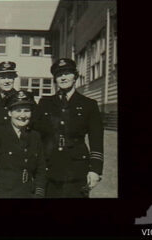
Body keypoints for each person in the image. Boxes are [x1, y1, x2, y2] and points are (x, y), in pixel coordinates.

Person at [33, 58, 104, 198]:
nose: (63, 77)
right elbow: (36, 134)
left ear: (75, 76)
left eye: (67, 73)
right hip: (49, 167)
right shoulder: (45, 103)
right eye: (59, 75)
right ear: (55, 79)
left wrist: (95, 170)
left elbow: (96, 139)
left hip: (77, 169)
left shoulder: (89, 104)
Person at [0, 90, 46, 198]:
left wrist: (39, 192)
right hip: (2, 193)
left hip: (28, 193)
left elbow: (41, 168)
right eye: (18, 110)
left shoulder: (35, 136)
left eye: (27, 111)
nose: (23, 115)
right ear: (10, 113)